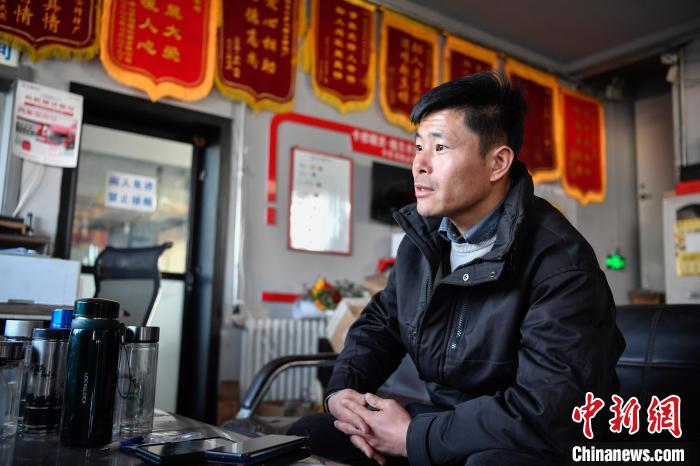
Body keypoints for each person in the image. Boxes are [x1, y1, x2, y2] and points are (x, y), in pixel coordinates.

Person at [289, 70, 625, 466]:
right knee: (311, 434)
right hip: (448, 426)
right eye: (418, 147)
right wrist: (343, 393)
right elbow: (381, 324)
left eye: (440, 148)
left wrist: (414, 437)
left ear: (497, 163)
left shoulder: (560, 264)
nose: (418, 164)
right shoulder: (425, 243)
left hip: (532, 444)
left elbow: (549, 410)